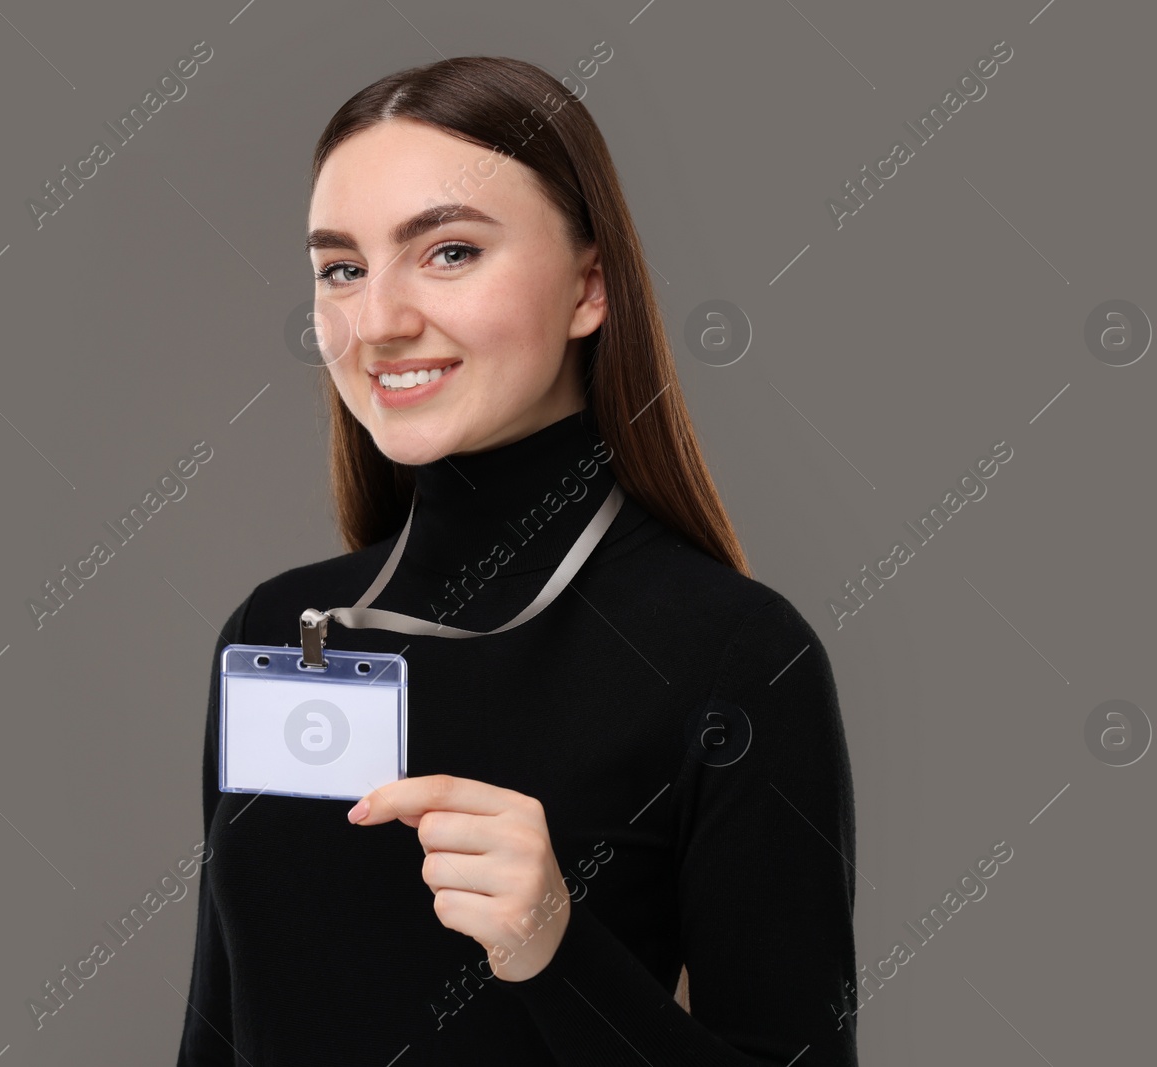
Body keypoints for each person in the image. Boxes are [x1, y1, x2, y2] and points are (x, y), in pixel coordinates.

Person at [177, 55, 858, 1066]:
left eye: (447, 252)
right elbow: (219, 1032)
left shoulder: (736, 656)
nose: (379, 321)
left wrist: (554, 942)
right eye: (342, 268)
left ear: (590, 286)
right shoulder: (279, 632)